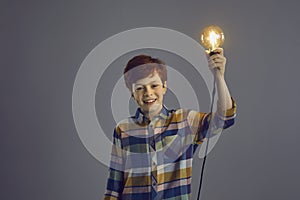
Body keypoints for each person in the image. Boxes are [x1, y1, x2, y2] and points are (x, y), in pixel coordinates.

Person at [103, 48, 236, 200]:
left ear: (164, 86)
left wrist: (218, 75)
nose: (148, 93)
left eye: (154, 85)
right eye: (140, 88)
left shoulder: (185, 121)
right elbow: (113, 189)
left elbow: (225, 118)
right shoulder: (123, 130)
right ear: (132, 93)